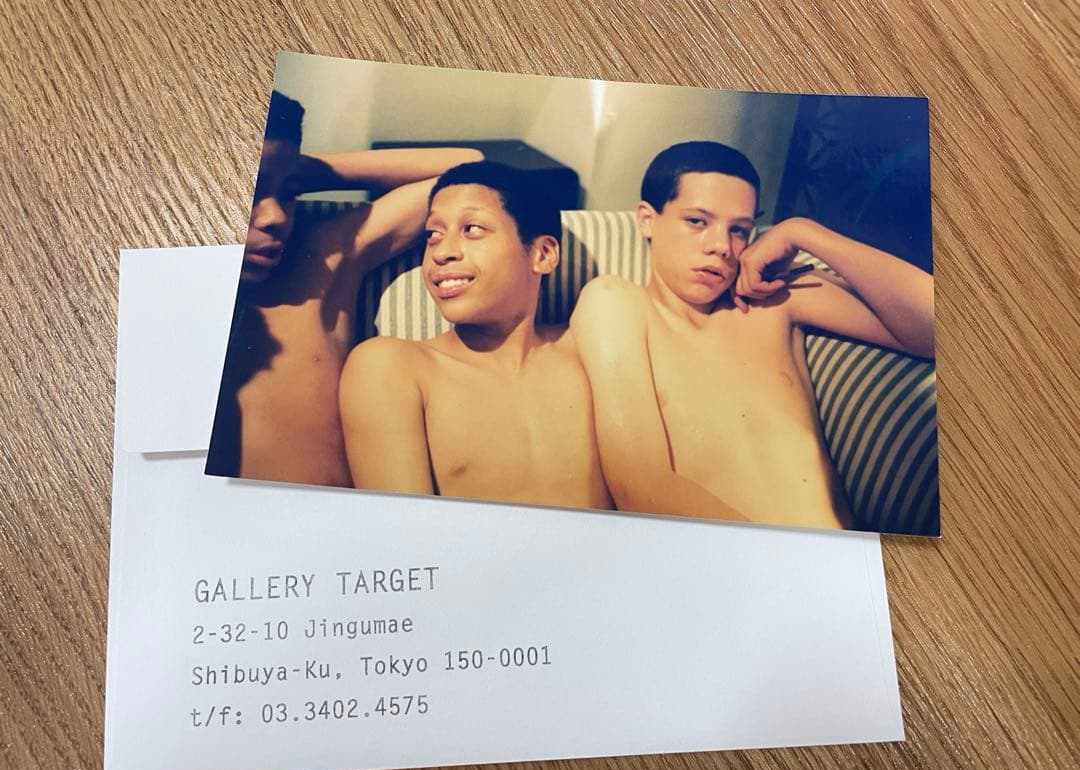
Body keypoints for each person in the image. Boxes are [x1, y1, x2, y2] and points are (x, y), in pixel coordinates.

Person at [569, 141, 935, 529]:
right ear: (647, 219)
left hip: (834, 549)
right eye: (697, 221)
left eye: (739, 230)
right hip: (735, 556)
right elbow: (641, 488)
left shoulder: (775, 301)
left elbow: (937, 329)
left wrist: (801, 232)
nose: (721, 247)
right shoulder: (617, 303)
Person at [206, 91, 481, 486]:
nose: (276, 216)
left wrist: (299, 169)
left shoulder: (318, 264)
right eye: (251, 191)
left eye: (288, 194)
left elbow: (469, 171)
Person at [338, 161, 613, 510]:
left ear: (543, 254)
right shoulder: (394, 367)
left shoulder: (590, 351)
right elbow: (405, 531)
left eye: (472, 229)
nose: (441, 252)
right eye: (432, 234)